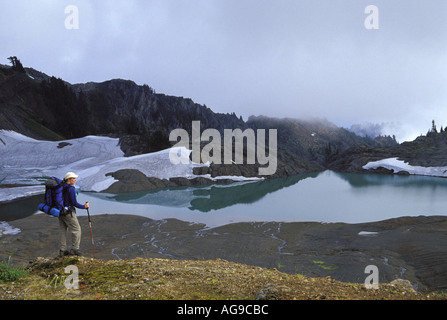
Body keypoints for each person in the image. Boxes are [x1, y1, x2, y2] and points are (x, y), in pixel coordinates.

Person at [59, 172, 90, 257]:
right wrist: (84, 206)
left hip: (60, 212)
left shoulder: (61, 186)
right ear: (69, 179)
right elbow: (74, 203)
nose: (75, 180)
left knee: (63, 230)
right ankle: (75, 249)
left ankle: (62, 250)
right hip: (68, 212)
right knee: (77, 229)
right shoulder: (71, 188)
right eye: (74, 178)